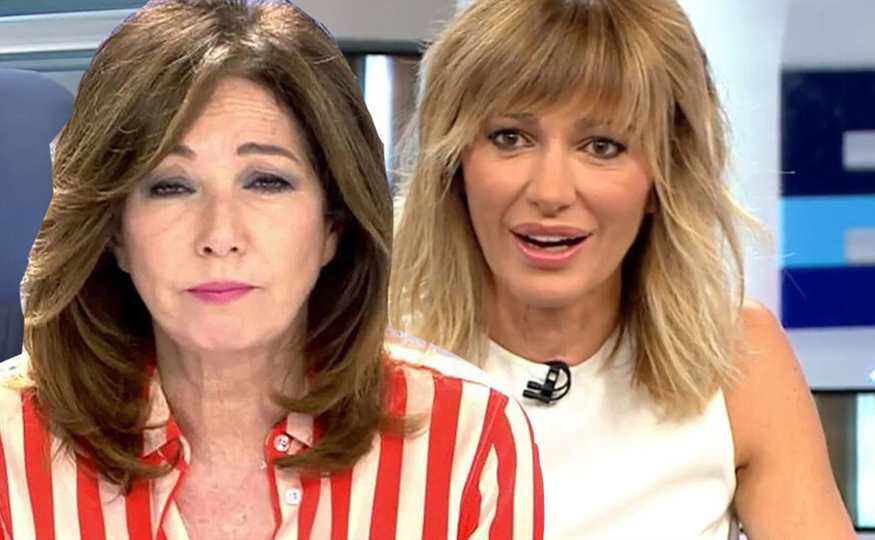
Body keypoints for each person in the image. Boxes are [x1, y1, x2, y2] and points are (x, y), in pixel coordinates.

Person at [0, 1, 543, 539]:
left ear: (333, 223)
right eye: (171, 186)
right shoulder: (10, 443)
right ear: (115, 233)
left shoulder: (468, 438)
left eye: (266, 181)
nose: (220, 236)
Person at [390, 0, 854, 538]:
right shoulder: (364, 354)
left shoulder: (736, 360)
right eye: (510, 137)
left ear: (664, 176)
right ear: (453, 163)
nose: (551, 192)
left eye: (602, 146)